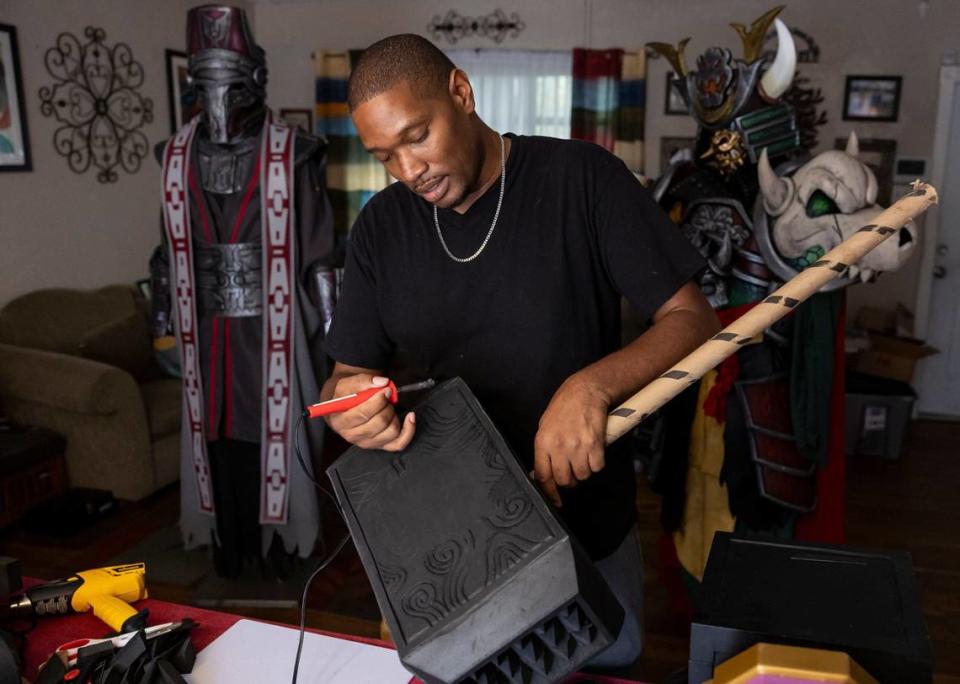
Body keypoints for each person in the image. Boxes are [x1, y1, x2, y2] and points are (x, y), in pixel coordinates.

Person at [322, 34, 718, 667]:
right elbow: (349, 372)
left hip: (582, 518)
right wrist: (347, 403)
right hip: (441, 541)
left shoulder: (584, 180)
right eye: (384, 156)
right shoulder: (379, 229)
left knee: (603, 662)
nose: (408, 171)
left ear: (461, 92)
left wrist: (589, 387)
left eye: (417, 136)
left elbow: (692, 318)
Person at [153, 6, 336, 579]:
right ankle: (231, 550)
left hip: (275, 328)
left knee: (277, 433)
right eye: (206, 82)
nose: (218, 98)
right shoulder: (174, 154)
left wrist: (342, 342)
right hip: (205, 327)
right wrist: (162, 326)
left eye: (228, 82)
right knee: (217, 440)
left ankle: (284, 552)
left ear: (254, 79)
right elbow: (166, 251)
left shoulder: (297, 151)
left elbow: (322, 256)